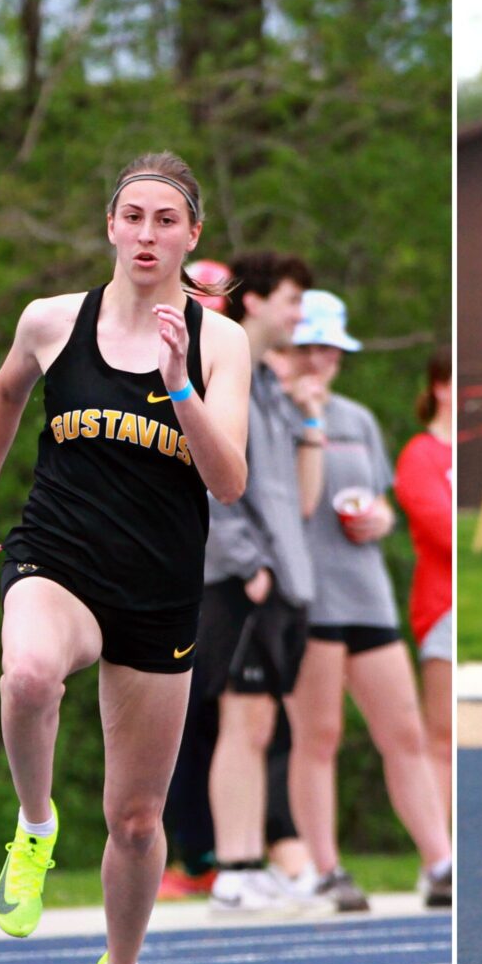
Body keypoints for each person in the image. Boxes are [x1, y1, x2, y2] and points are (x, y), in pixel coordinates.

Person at [0, 153, 250, 964]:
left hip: (159, 589)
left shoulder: (220, 342)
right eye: (133, 216)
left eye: (167, 220)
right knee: (30, 673)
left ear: (192, 237)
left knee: (134, 822)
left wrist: (179, 385)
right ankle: (35, 826)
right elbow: (5, 395)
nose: (148, 234)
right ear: (111, 226)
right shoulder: (52, 322)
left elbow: (230, 481)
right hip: (58, 557)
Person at [280, 294, 452, 911]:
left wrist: (379, 518)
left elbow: (378, 499)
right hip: (307, 594)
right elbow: (283, 505)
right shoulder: (270, 413)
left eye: (329, 348)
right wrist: (306, 422)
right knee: (318, 735)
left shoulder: (358, 419)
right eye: (308, 347)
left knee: (404, 730)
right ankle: (325, 868)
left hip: (366, 593)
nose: (320, 359)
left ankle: (439, 862)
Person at [196, 253, 317, 913]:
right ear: (257, 302)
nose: (299, 316)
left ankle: (250, 859)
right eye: (293, 301)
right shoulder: (223, 367)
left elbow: (289, 495)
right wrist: (250, 563)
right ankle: (235, 866)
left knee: (260, 724)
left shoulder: (267, 382)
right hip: (243, 579)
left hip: (281, 582)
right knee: (241, 723)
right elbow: (211, 475)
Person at [396, 350, 455, 849]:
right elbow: (441, 529)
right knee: (442, 737)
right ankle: (440, 856)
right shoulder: (420, 454)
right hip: (441, 605)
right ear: (438, 387)